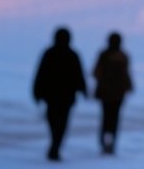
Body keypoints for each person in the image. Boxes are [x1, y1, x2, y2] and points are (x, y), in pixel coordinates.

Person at [33, 27, 87, 161]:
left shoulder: (51, 53)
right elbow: (79, 75)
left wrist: (37, 92)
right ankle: (55, 145)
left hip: (54, 97)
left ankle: (55, 145)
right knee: (60, 123)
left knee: (55, 122)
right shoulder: (70, 54)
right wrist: (83, 89)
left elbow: (40, 74)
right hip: (63, 97)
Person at [92, 32, 133, 155]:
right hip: (117, 94)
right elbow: (126, 74)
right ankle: (110, 143)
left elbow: (96, 72)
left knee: (106, 118)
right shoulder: (122, 56)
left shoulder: (104, 55)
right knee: (114, 119)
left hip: (106, 93)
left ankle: (105, 143)